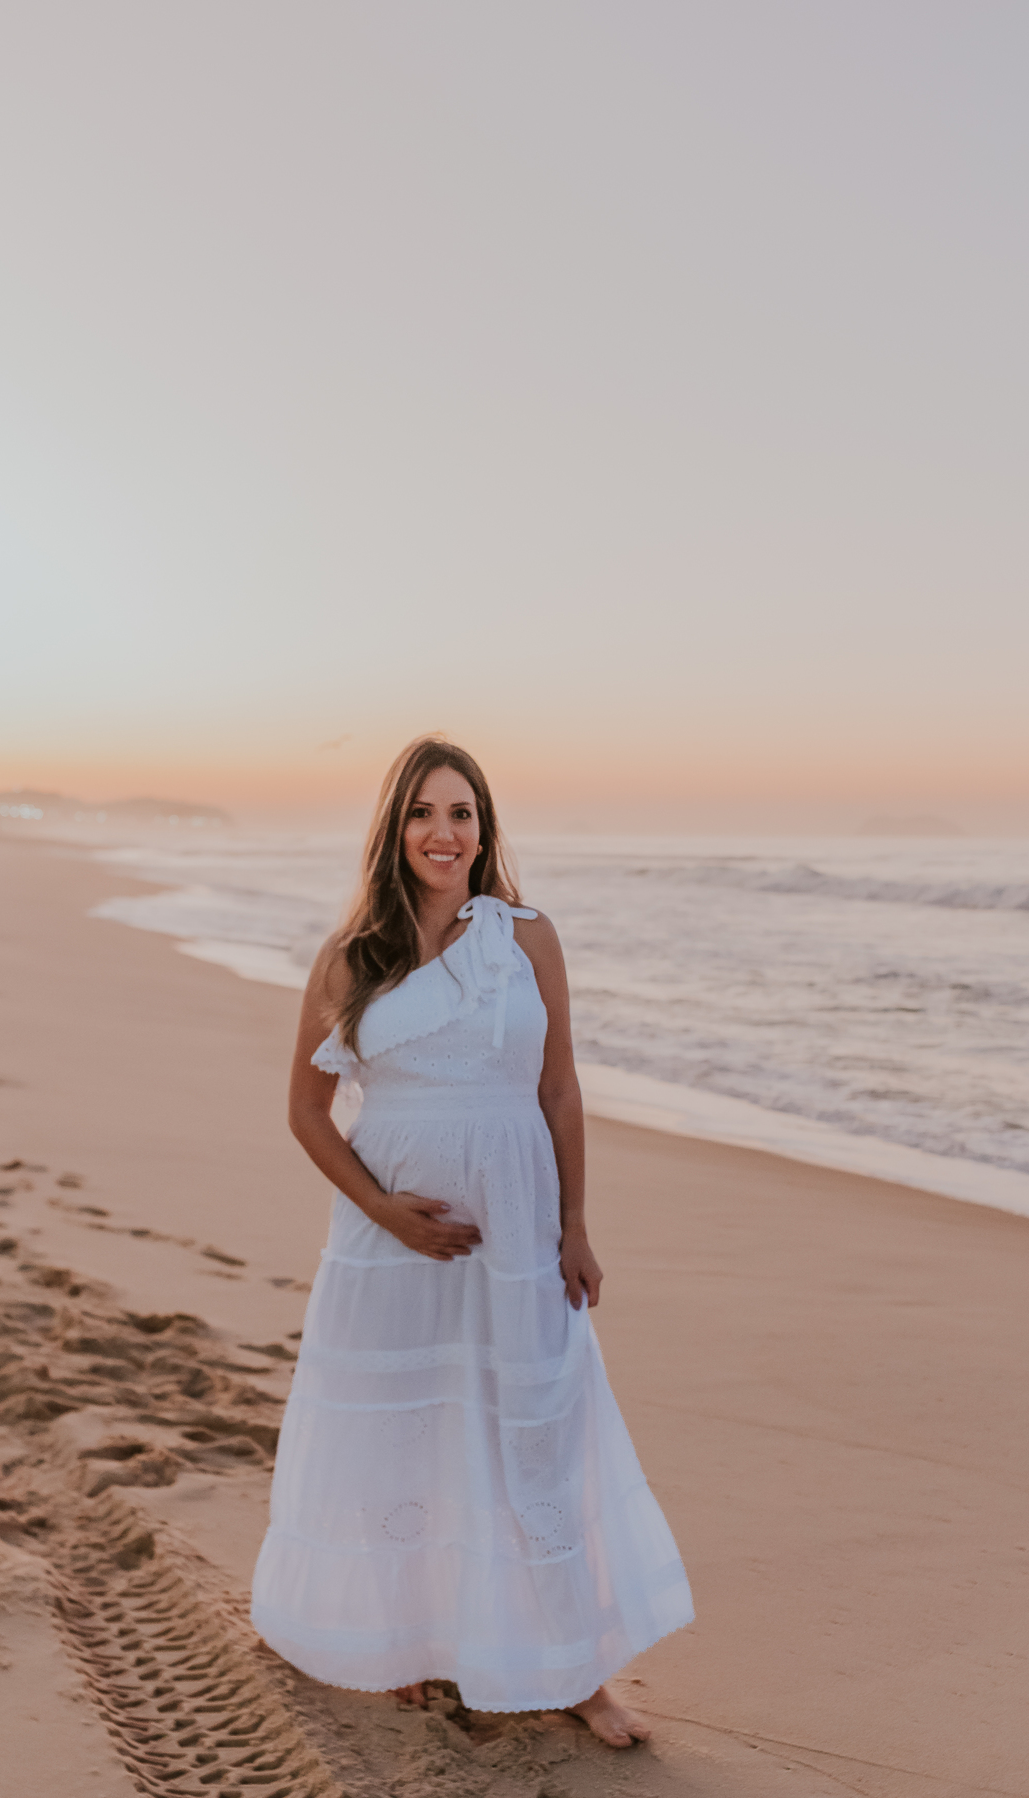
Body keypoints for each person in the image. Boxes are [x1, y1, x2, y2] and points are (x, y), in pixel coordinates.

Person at [251, 736, 693, 1746]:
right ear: (393, 830)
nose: (442, 833)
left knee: (534, 1426)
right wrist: (384, 1210)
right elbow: (309, 1113)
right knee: (397, 1431)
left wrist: (575, 1222)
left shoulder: (527, 937)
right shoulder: (349, 958)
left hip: (516, 1222)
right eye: (422, 813)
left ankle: (578, 1669)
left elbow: (558, 1088)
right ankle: (407, 1639)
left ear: (484, 829)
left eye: (461, 813)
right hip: (391, 1240)